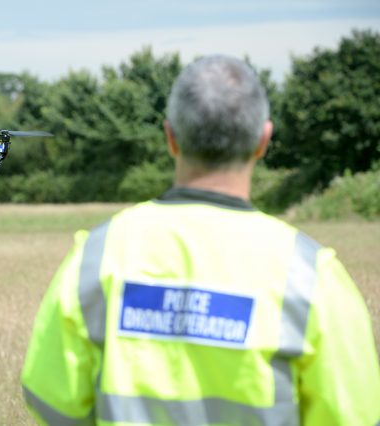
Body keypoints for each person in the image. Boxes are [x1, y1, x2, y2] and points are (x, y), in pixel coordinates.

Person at [20, 55, 380, 425]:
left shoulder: (96, 258)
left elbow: (48, 398)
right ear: (263, 140)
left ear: (170, 137)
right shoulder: (313, 276)